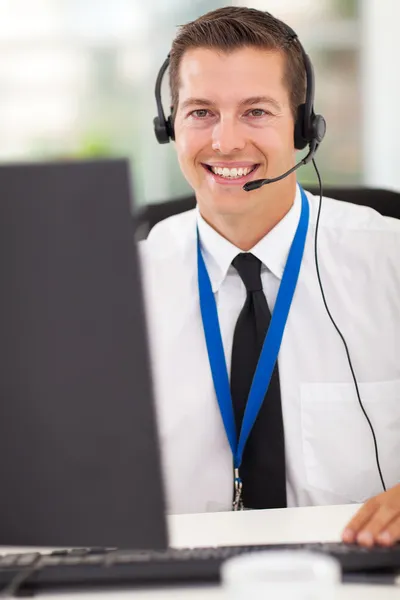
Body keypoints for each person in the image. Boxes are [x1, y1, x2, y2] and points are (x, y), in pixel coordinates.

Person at [139, 6, 400, 548]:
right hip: (172, 581)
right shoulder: (116, 290)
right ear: (170, 127)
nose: (226, 141)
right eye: (201, 112)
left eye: (256, 111)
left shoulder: (390, 260)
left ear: (305, 126)